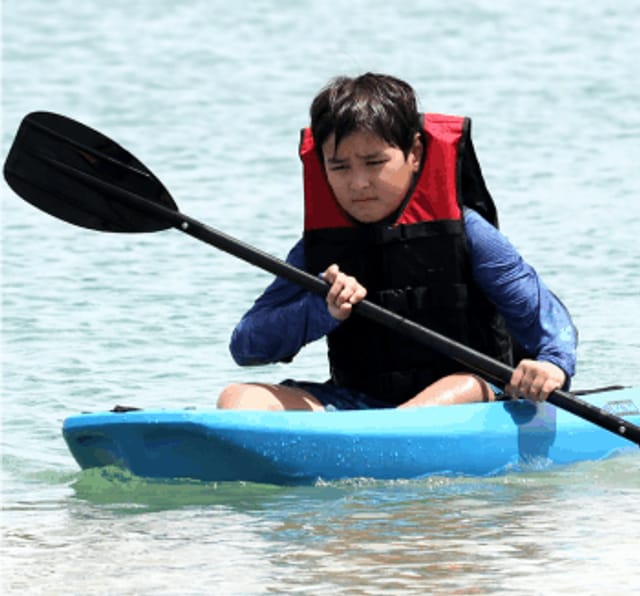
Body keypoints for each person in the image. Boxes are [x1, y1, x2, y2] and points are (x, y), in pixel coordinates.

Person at [217, 73, 577, 412]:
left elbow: (548, 321)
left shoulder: (469, 234)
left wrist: (552, 366)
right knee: (239, 399)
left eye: (374, 162)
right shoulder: (317, 249)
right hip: (359, 404)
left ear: (415, 153)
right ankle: (368, 441)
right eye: (339, 167)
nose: (358, 183)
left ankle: (382, 442)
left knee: (465, 383)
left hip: (472, 397)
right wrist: (321, 309)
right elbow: (246, 346)